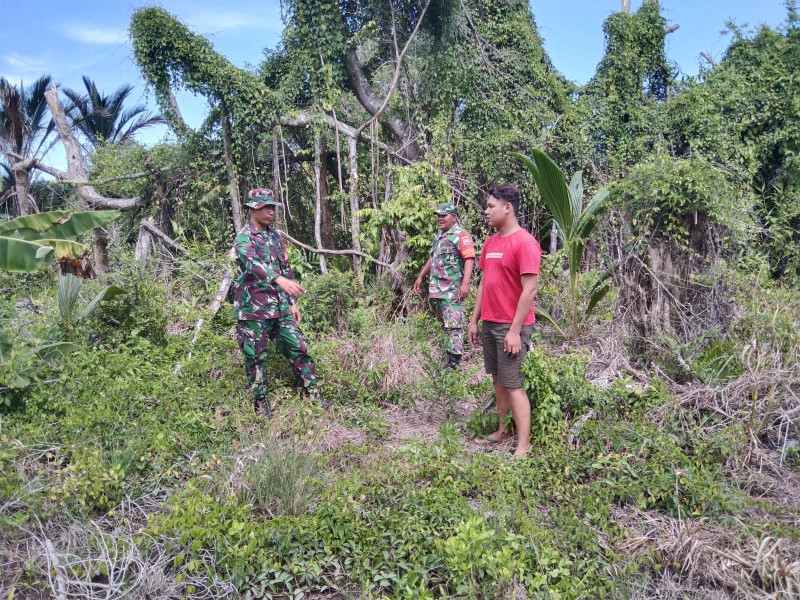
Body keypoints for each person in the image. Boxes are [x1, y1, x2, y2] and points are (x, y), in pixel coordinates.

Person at [233, 187, 328, 416]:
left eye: (272, 207)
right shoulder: (244, 237)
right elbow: (252, 264)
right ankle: (260, 403)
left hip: (279, 306)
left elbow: (285, 266)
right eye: (265, 207)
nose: (271, 211)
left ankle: (312, 393)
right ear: (253, 208)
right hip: (254, 309)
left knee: (298, 346)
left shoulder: (275, 236)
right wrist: (279, 280)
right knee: (255, 357)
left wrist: (291, 301)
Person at [468, 185, 541, 457]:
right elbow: (484, 285)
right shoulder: (491, 243)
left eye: (490, 206)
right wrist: (475, 321)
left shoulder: (525, 243)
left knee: (514, 385)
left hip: (512, 326)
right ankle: (502, 431)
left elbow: (530, 290)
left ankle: (523, 446)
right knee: (498, 381)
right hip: (490, 323)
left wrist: (514, 332)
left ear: (507, 207)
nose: (486, 211)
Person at [414, 201, 476, 370]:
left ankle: (454, 364)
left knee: (454, 325)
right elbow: (432, 258)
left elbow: (469, 258)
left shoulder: (460, 235)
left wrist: (465, 284)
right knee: (445, 325)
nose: (440, 219)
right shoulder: (440, 235)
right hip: (439, 291)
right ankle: (449, 357)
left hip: (453, 290)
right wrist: (421, 276)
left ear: (454, 217)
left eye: (444, 215)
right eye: (438, 215)